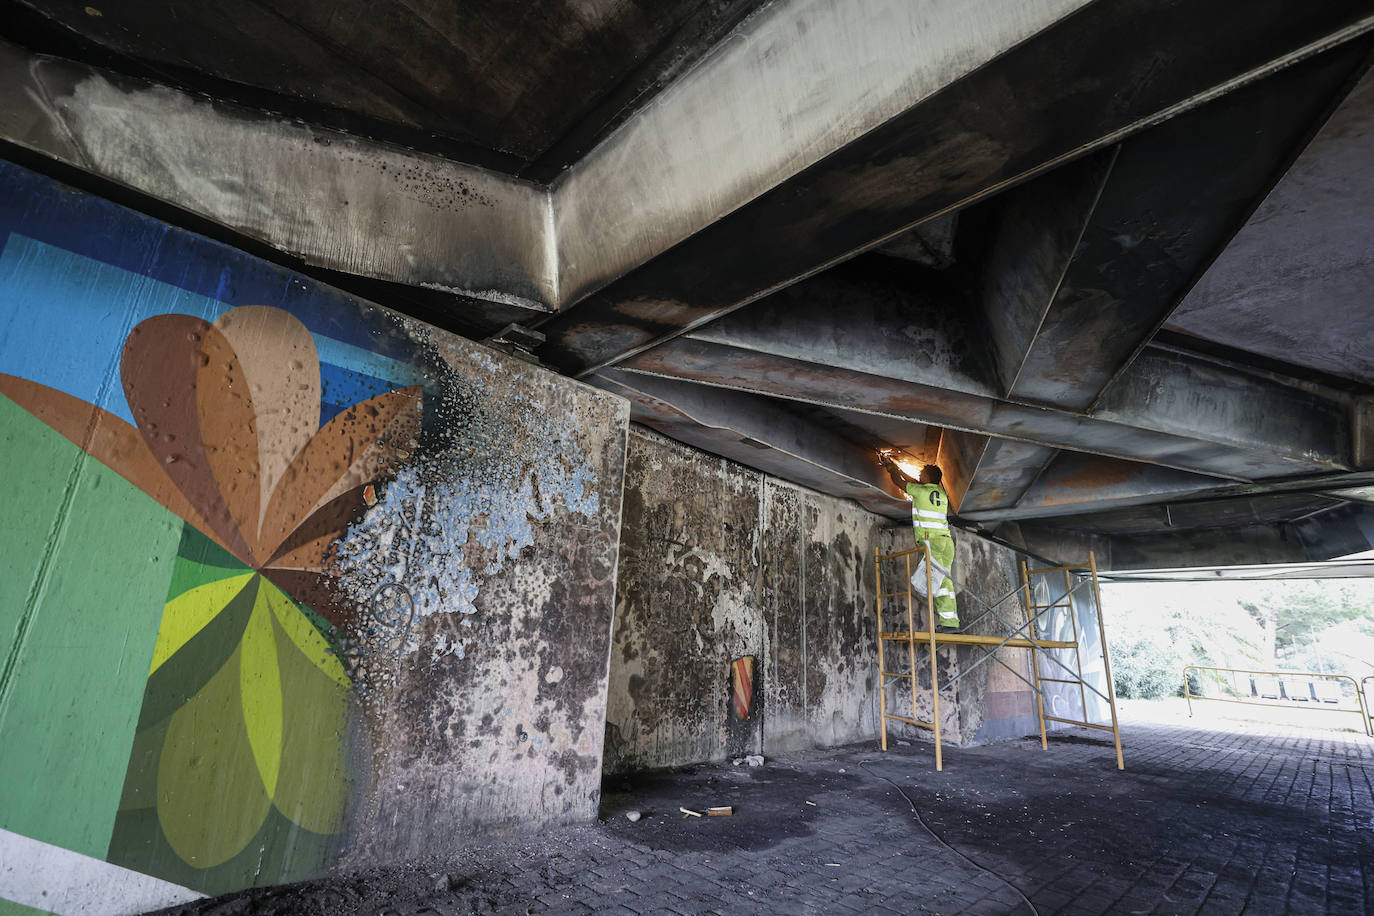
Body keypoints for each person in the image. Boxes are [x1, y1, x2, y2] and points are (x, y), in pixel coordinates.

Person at [880, 453, 958, 629]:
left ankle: (949, 624)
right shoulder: (941, 493)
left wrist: (891, 470)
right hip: (946, 543)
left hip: (934, 544)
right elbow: (914, 481)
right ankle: (951, 621)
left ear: (928, 478)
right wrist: (897, 468)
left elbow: (900, 483)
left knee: (937, 582)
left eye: (922, 474)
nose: (920, 475)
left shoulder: (920, 491)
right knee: (945, 581)